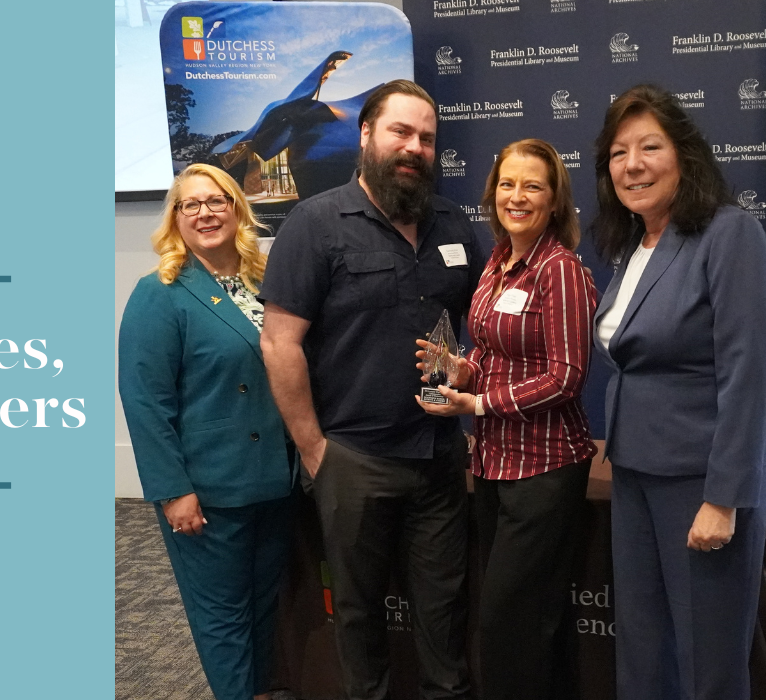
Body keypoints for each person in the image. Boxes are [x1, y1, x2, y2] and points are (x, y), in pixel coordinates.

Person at [259, 79, 483, 700]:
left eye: (427, 138)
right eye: (400, 132)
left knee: (444, 612)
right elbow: (280, 343)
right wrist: (314, 451)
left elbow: (485, 328)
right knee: (358, 616)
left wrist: (469, 369)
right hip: (353, 460)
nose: (414, 147)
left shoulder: (455, 222)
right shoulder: (316, 223)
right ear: (366, 135)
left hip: (440, 458)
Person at [592, 84, 766, 699]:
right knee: (644, 651)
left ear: (685, 156)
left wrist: (724, 498)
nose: (633, 164)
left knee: (709, 665)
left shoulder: (730, 235)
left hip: (700, 485)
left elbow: (750, 376)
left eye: (650, 146)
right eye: (619, 152)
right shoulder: (634, 244)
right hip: (637, 472)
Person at [416, 139, 597, 699]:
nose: (517, 197)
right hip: (495, 465)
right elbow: (500, 354)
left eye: (532, 186)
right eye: (507, 185)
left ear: (554, 199)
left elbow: (566, 376)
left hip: (544, 470)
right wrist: (461, 368)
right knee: (531, 620)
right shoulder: (497, 260)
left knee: (508, 626)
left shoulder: (560, 268)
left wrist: (480, 404)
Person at [119, 163, 294, 700]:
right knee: (222, 615)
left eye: (216, 201)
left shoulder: (266, 279)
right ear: (175, 218)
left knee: (266, 605)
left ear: (237, 208)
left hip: (276, 480)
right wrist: (173, 492)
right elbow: (145, 402)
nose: (204, 213)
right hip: (209, 487)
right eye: (190, 204)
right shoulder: (160, 293)